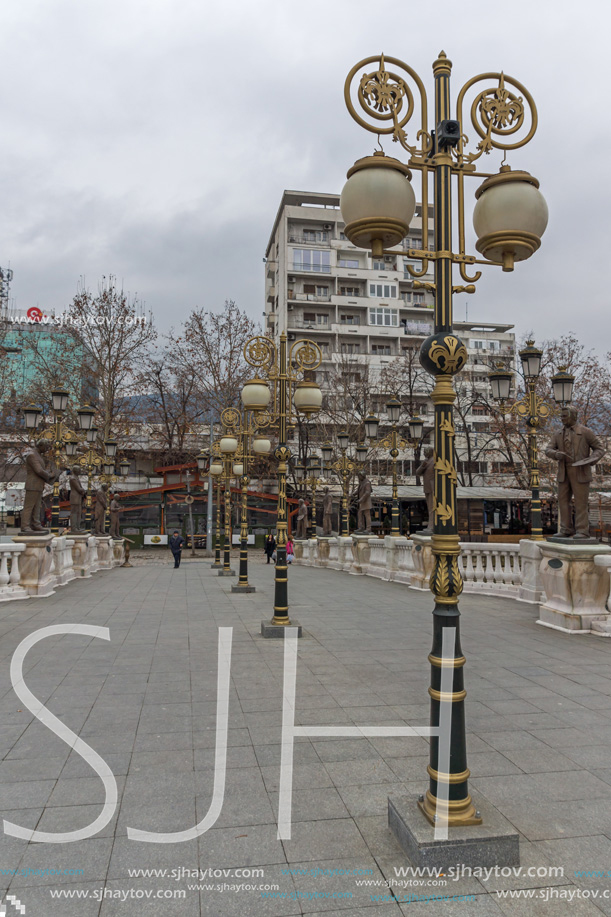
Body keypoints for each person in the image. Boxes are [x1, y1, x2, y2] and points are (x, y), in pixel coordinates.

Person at [545, 405, 605, 538]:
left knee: (580, 502)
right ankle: (566, 529)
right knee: (562, 501)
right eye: (561, 416)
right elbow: (548, 450)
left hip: (580, 470)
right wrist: (556, 454)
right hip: (563, 471)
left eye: (564, 416)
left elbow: (600, 449)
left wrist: (590, 460)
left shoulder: (585, 432)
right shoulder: (558, 434)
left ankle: (582, 531)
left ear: (573, 416)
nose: (562, 419)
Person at [20, 440, 57, 534]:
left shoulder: (38, 455)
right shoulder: (32, 455)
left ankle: (36, 524)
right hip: (32, 485)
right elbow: (39, 471)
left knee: (37, 506)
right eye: (46, 447)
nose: (46, 450)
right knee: (29, 506)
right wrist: (50, 475)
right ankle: (25, 526)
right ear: (41, 445)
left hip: (39, 485)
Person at [415, 446, 435, 534]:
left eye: (425, 452)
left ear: (430, 452)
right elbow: (417, 473)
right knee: (430, 507)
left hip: (433, 487)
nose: (424, 453)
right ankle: (430, 526)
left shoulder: (435, 461)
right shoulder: (426, 461)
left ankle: (432, 526)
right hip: (427, 487)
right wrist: (423, 466)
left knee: (432, 508)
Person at [69, 466, 85, 533]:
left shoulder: (76, 478)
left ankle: (78, 527)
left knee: (78, 513)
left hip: (78, 497)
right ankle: (74, 528)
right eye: (79, 470)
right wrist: (83, 490)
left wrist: (82, 490)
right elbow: (79, 489)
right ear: (76, 471)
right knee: (74, 513)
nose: (80, 471)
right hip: (74, 497)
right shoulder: (73, 479)